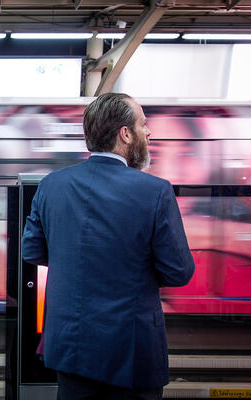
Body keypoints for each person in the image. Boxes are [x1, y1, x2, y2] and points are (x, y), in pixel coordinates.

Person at [21, 93, 195, 400]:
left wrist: (72, 258)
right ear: (125, 134)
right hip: (131, 351)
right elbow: (179, 271)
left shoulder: (52, 185)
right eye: (143, 124)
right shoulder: (155, 191)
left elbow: (32, 252)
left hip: (70, 347)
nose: (149, 132)